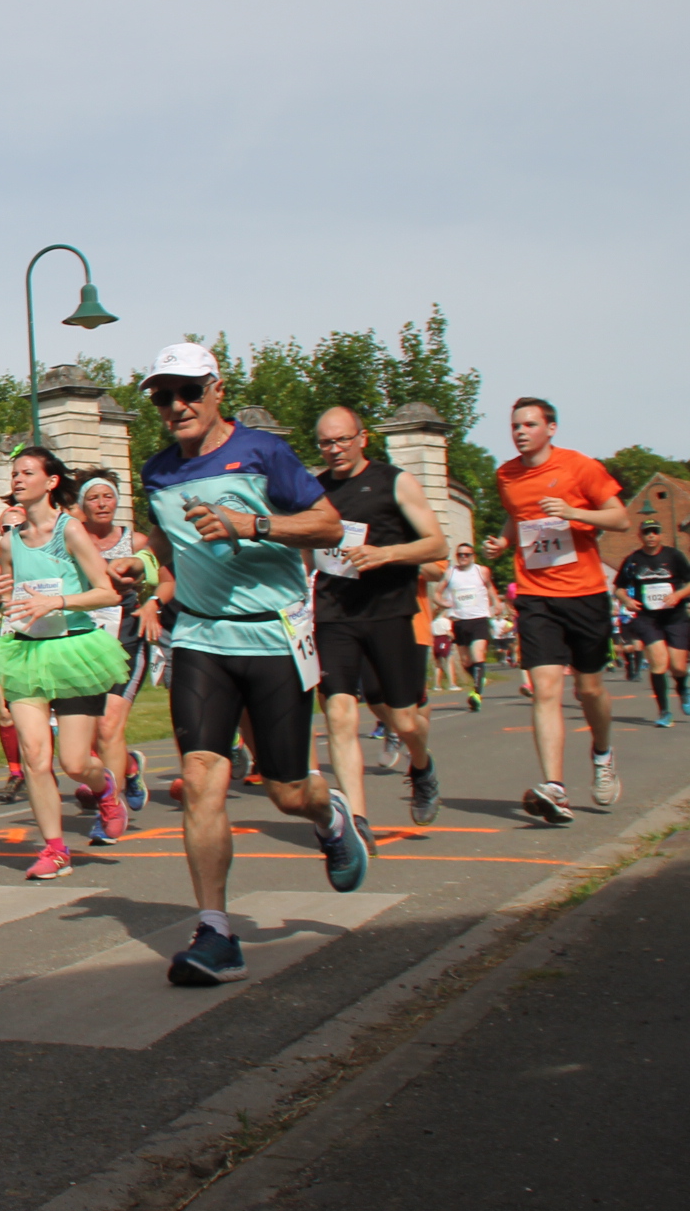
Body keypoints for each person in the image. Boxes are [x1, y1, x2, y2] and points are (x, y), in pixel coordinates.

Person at [133, 343, 366, 988]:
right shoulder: (157, 471)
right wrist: (143, 564)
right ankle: (215, 930)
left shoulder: (264, 453)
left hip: (272, 636)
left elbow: (330, 527)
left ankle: (330, 815)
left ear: (216, 390)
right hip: (202, 637)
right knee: (201, 777)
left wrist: (252, 525)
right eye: (162, 396)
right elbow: (171, 538)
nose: (176, 406)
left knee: (286, 791)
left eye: (188, 391)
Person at [0, 448, 131, 872]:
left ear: (50, 482)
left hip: (73, 649)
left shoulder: (71, 531)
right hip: (26, 651)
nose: (17, 479)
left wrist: (57, 601)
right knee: (34, 755)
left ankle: (106, 790)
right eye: (14, 473)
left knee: (75, 762)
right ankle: (54, 850)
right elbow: (8, 597)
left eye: (27, 472)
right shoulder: (9, 541)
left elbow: (107, 593)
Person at [484, 397, 630, 823]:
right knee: (545, 689)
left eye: (530, 424)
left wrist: (571, 512)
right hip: (536, 595)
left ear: (551, 428)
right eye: (515, 425)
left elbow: (620, 518)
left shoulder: (579, 467)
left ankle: (602, 754)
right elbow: (516, 516)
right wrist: (504, 541)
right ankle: (555, 788)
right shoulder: (506, 474)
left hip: (584, 593)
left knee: (589, 690)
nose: (520, 432)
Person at [310, 407, 449, 829]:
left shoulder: (395, 482)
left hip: (388, 611)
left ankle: (422, 766)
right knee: (339, 714)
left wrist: (385, 554)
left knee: (404, 720)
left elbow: (437, 545)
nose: (335, 449)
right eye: (326, 443)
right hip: (333, 613)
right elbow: (305, 552)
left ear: (362, 438)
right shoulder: (314, 490)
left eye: (342, 440)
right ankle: (356, 820)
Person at [74, 475, 159, 817]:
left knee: (109, 724)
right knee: (93, 729)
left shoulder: (136, 540)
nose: (102, 503)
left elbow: (166, 577)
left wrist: (153, 604)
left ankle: (111, 810)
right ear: (83, 504)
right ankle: (129, 767)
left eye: (108, 496)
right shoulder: (72, 538)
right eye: (94, 497)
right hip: (84, 640)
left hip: (126, 636)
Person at [615, 521, 690, 727]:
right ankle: (664, 712)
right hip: (648, 619)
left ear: (660, 535)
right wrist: (627, 600)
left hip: (674, 617)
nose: (651, 536)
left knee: (678, 666)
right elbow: (618, 588)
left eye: (655, 532)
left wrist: (678, 595)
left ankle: (683, 688)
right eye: (647, 532)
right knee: (658, 663)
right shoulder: (633, 560)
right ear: (640, 536)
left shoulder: (674, 556)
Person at [441, 543, 497, 710]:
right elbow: (437, 592)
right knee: (466, 661)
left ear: (473, 556)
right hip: (459, 621)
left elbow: (490, 587)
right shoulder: (450, 573)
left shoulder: (482, 571)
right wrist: (442, 603)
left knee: (477, 654)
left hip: (479, 619)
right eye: (460, 554)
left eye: (467, 554)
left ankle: (476, 694)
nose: (463, 557)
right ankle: (480, 677)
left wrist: (496, 603)